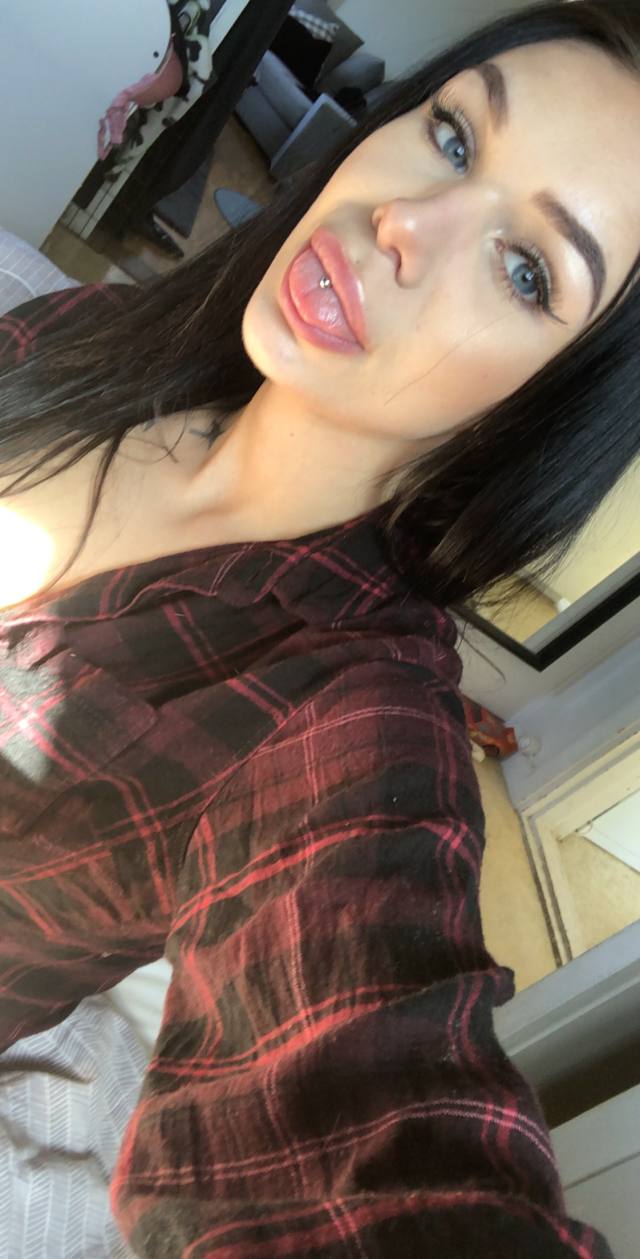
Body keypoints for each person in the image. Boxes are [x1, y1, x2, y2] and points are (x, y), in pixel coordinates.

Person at [0, 1, 638, 1253]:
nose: (404, 222)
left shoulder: (336, 712)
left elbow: (363, 1125)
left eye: (526, 269)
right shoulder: (106, 333)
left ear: (553, 402)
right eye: (451, 136)